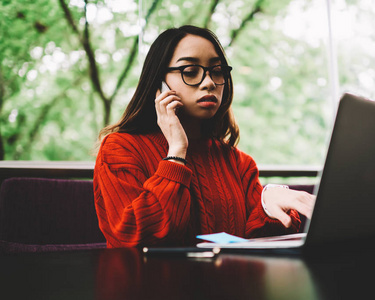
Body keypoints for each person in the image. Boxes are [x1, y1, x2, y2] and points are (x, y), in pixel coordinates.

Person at [93, 25, 315, 248]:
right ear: (159, 83)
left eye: (217, 71)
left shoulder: (239, 164)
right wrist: (177, 153)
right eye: (190, 71)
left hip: (230, 282)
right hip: (153, 283)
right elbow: (135, 239)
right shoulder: (119, 149)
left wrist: (270, 206)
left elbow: (258, 248)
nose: (209, 82)